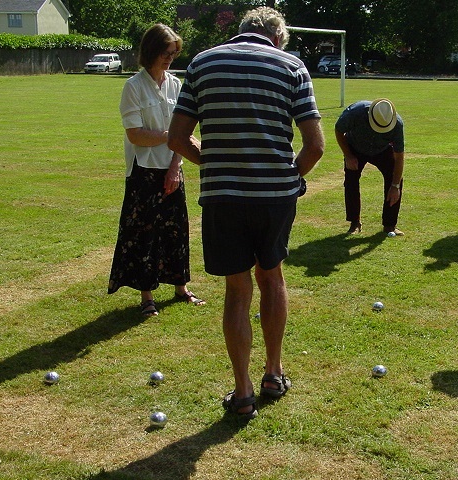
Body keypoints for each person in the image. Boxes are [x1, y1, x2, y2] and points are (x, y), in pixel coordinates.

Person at [168, 7, 324, 419]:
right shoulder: (292, 66)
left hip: (223, 197)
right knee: (271, 279)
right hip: (274, 197)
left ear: (240, 33)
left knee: (237, 291)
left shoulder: (202, 63)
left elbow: (178, 138)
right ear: (276, 38)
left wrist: (217, 162)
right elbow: (315, 146)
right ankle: (274, 372)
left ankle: (242, 393)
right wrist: (292, 177)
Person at [108, 24, 205, 317]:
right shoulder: (133, 87)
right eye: (166, 53)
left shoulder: (177, 85)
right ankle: (147, 295)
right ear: (151, 51)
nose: (170, 58)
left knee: (177, 230)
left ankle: (181, 287)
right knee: (144, 234)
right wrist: (172, 135)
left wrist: (176, 165)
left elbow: (186, 130)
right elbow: (136, 135)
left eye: (174, 53)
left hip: (173, 166)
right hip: (144, 171)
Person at [336, 98, 405, 236]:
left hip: (382, 150)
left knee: (395, 179)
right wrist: (348, 156)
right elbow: (339, 131)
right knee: (351, 181)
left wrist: (395, 185)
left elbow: (399, 157)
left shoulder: (397, 124)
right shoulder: (355, 113)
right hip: (355, 148)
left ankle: (390, 225)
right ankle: (354, 222)